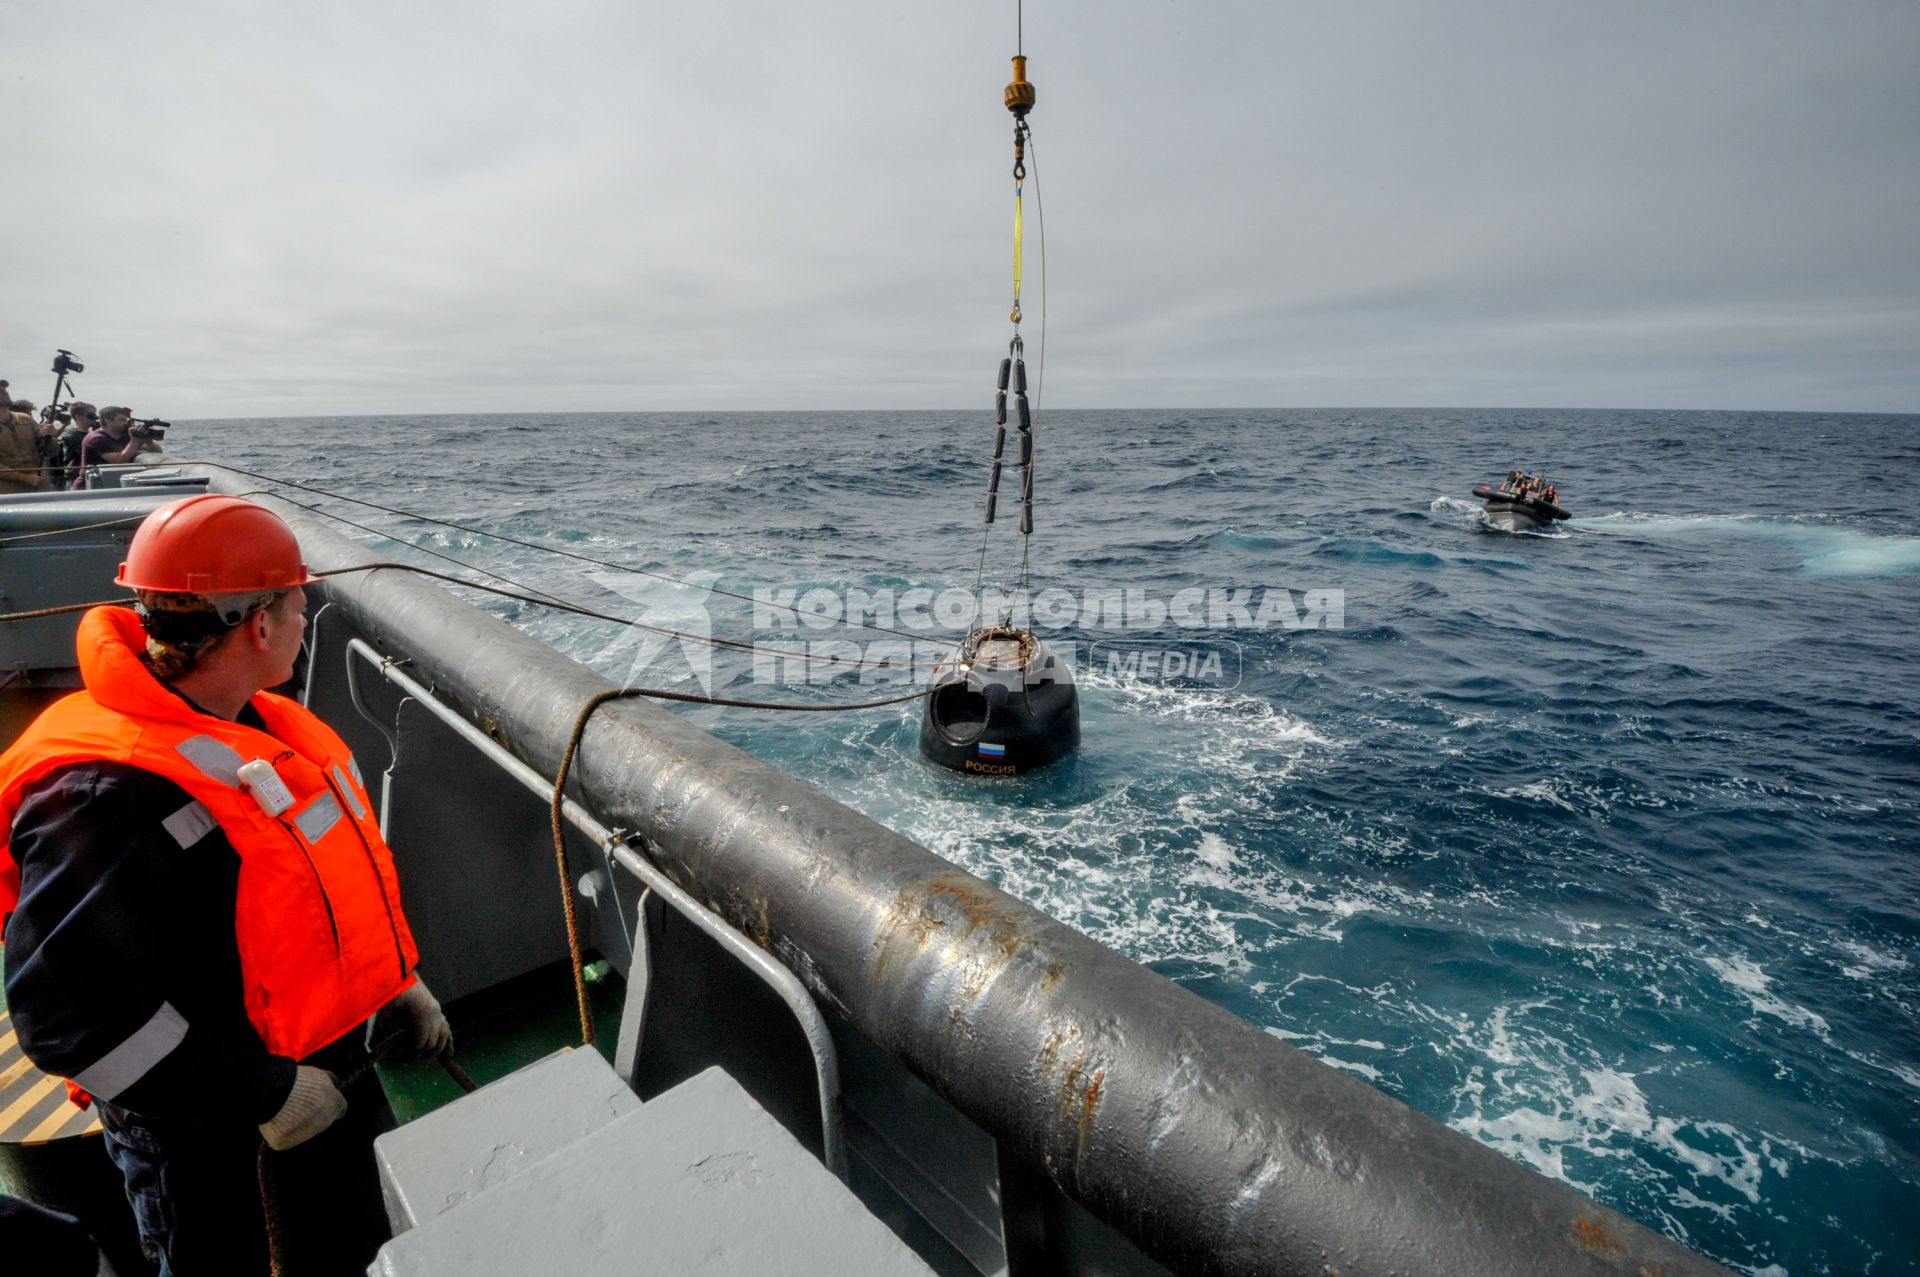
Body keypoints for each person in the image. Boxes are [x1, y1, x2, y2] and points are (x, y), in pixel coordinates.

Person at [0, 494, 452, 1275]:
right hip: (208, 1136)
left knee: (353, 1250)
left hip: (323, 1075)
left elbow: (300, 899)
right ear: (259, 624)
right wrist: (261, 1090)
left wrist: (390, 985)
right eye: (295, 600)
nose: (307, 613)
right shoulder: (107, 795)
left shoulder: (255, 722)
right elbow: (69, 1020)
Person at [73, 405, 159, 482]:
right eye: (121, 420)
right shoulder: (96, 439)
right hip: (90, 486)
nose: (126, 423)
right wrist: (135, 440)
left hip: (109, 481)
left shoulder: (123, 436)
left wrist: (148, 440)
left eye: (126, 420)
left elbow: (157, 451)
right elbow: (119, 460)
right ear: (108, 421)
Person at [0, 400, 49, 494]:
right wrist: (25, 478)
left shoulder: (25, 419)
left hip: (39, 486)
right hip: (8, 492)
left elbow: (52, 451)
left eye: (4, 388)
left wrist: (46, 437)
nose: (3, 390)